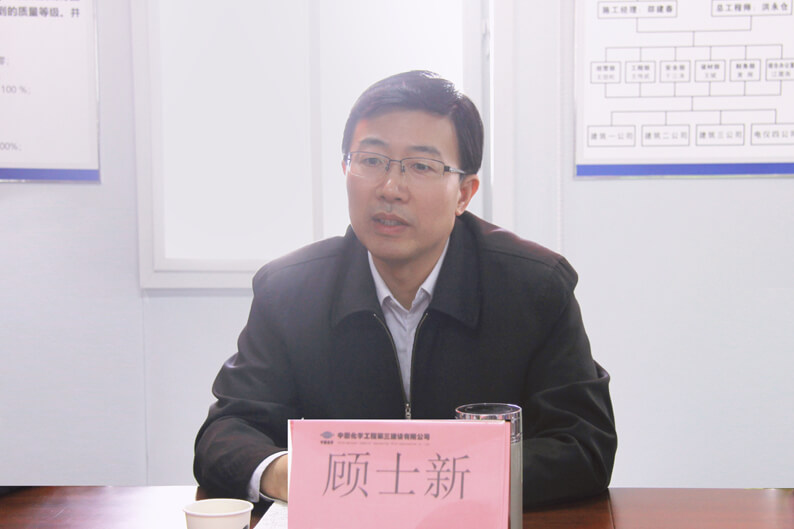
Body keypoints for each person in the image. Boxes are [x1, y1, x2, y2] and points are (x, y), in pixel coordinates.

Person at [193, 70, 617, 507]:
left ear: (464, 192)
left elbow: (583, 445)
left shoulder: (535, 288)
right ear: (345, 169)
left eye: (421, 166)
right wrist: (291, 475)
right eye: (371, 160)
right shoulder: (289, 292)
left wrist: (424, 481)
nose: (390, 189)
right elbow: (226, 434)